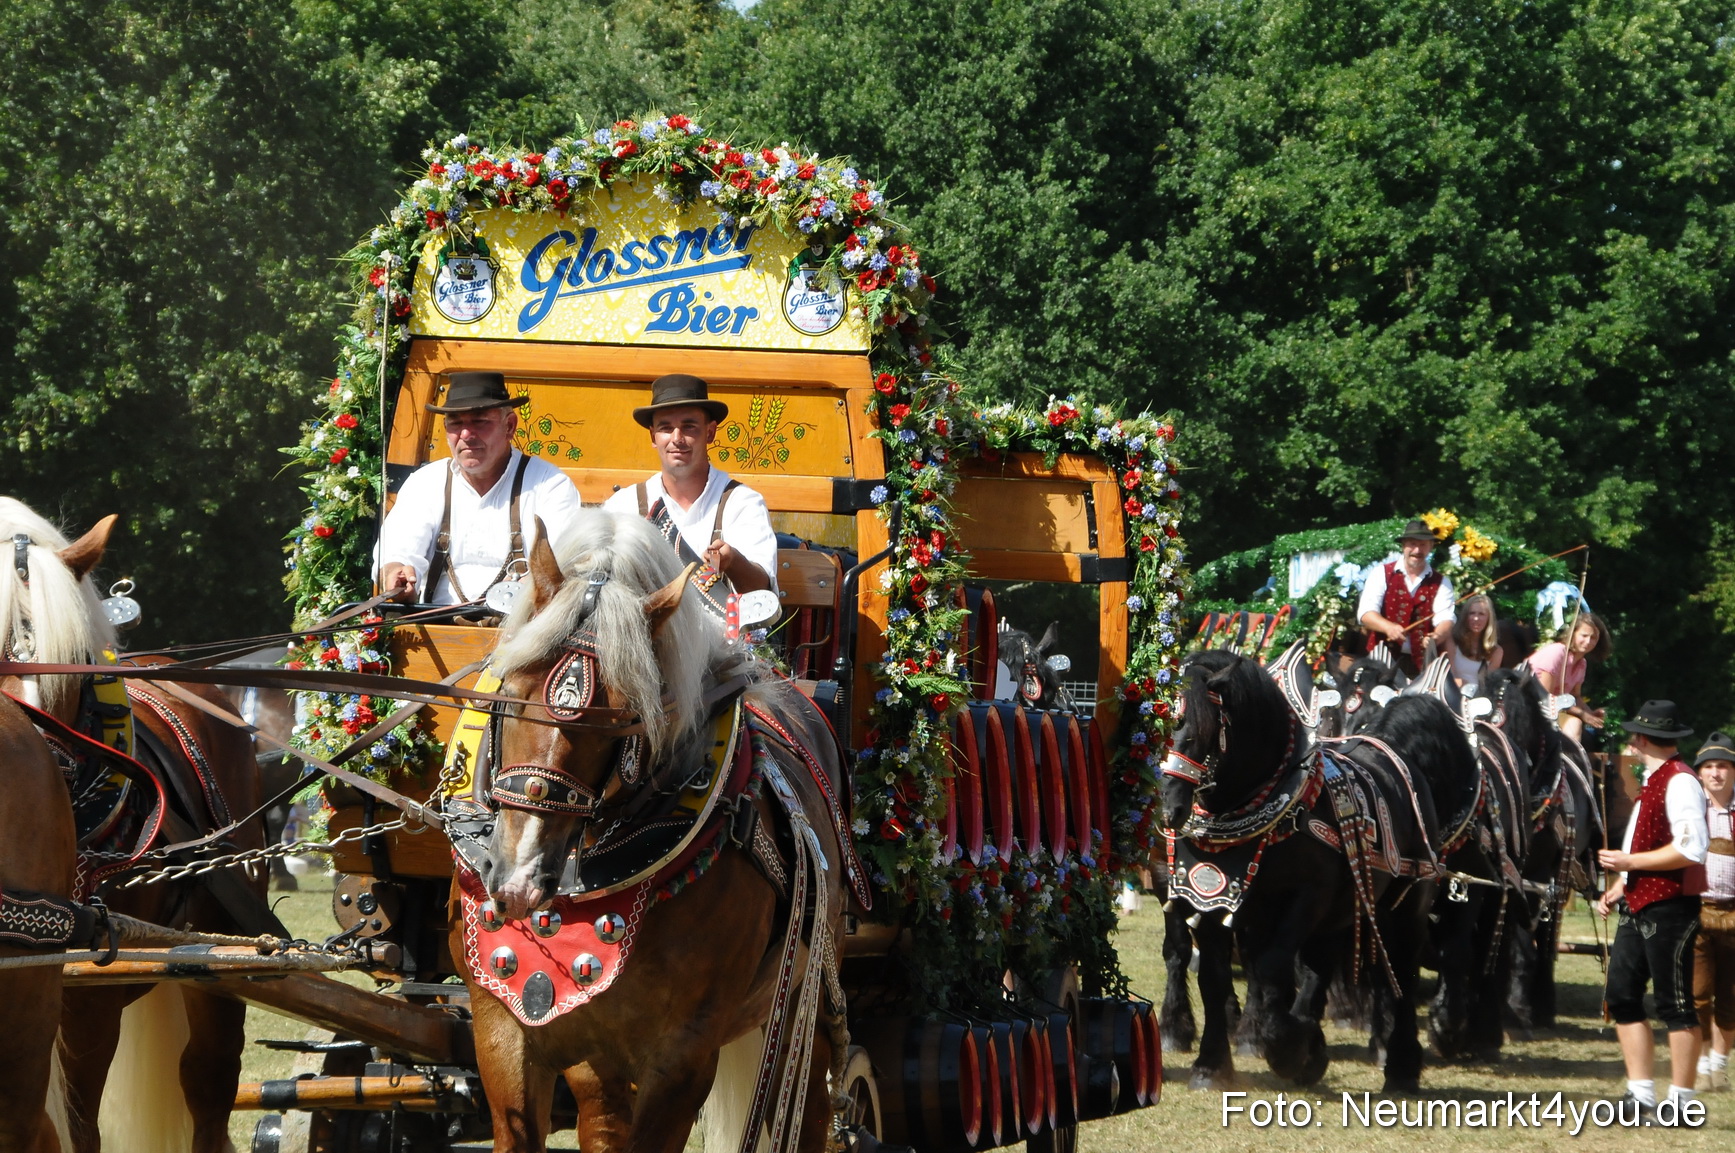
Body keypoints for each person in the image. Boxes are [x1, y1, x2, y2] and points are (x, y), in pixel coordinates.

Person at [377, 372, 584, 606]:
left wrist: (535, 584)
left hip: (521, 635)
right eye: (456, 423)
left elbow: (562, 565)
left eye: (479, 421)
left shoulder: (550, 484)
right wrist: (396, 575)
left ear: (509, 426)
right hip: (433, 629)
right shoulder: (425, 482)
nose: (466, 434)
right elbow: (397, 552)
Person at [1596, 701, 1710, 1119]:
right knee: (1622, 996)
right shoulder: (1655, 780)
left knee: (1674, 1003)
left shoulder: (1681, 781)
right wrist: (1619, 885)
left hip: (1672, 907)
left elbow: (1690, 848)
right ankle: (1641, 1095)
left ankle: (1681, 1101)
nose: (1631, 742)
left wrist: (1629, 866)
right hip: (1638, 900)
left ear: (1642, 739)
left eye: (1633, 737)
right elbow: (1640, 845)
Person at [601, 374, 778, 616]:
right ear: (653, 437)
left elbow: (762, 594)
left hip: (720, 651)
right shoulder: (623, 505)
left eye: (689, 427)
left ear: (710, 433)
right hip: (645, 649)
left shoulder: (742, 502)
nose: (676, 438)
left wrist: (733, 561)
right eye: (665, 428)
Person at [1356, 519, 1456, 675]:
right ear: (1403, 546)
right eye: (1412, 544)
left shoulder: (1442, 582)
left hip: (1422, 667)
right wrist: (1388, 627)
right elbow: (1366, 614)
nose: (1417, 550)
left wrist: (1436, 637)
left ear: (1430, 547)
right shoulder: (1381, 573)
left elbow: (1446, 619)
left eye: (1423, 545)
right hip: (1381, 662)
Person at [1692, 732, 1735, 1092]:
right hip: (1698, 913)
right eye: (1709, 766)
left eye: (1722, 765)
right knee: (1698, 994)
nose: (1716, 773)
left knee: (1731, 997)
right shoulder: (1691, 810)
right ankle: (1703, 1064)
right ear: (1700, 773)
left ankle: (1720, 1065)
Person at [1525, 611, 1611, 741]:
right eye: (1584, 635)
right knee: (1574, 723)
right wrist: (1581, 714)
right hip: (1531, 709)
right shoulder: (1557, 652)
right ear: (1573, 634)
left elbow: (1575, 696)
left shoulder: (1582, 663)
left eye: (1593, 638)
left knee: (1577, 726)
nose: (1588, 641)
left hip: (1552, 713)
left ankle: (1567, 760)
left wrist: (1590, 714)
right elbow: (1545, 696)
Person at [1446, 592, 1503, 690]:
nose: (1476, 618)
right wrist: (1458, 682)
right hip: (1453, 693)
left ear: (1489, 618)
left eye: (1481, 614)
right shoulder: (1452, 641)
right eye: (1472, 613)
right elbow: (1450, 675)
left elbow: (1489, 684)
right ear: (1465, 616)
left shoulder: (1496, 651)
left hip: (1478, 698)